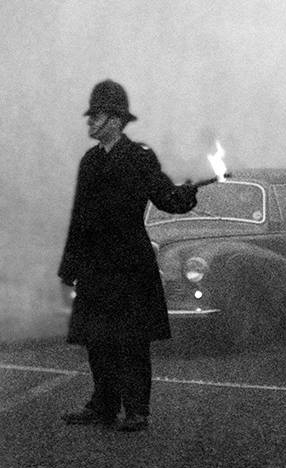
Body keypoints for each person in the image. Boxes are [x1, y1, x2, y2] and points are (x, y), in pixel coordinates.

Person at [58, 79, 198, 432]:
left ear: (116, 120)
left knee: (132, 340)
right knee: (98, 339)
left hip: (129, 263)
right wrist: (69, 268)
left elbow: (166, 197)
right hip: (94, 264)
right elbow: (80, 217)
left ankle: (137, 410)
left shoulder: (140, 158)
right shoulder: (89, 161)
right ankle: (103, 405)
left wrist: (187, 194)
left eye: (98, 115)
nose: (90, 121)